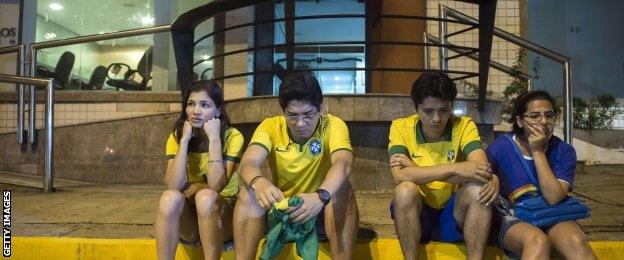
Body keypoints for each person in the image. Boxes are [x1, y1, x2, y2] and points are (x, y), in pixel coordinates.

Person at [233, 71, 359, 259]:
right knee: (247, 191)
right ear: (283, 111)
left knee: (343, 189)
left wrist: (320, 196)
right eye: (292, 115)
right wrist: (259, 182)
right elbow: (248, 162)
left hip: (321, 209)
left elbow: (343, 164)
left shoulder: (333, 125)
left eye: (308, 114)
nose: (300, 123)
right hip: (282, 208)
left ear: (321, 108)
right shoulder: (271, 126)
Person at [388, 72, 498, 260]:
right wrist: (455, 168)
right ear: (414, 107)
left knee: (478, 190)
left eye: (444, 110)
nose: (437, 118)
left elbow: (480, 170)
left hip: (454, 214)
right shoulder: (400, 127)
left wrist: (415, 170)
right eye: (428, 111)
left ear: (452, 106)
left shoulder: (464, 125)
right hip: (419, 215)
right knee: (405, 189)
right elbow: (399, 176)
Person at [486, 91, 598, 259]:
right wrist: (492, 177)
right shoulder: (501, 147)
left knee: (576, 241)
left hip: (551, 214)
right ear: (519, 121)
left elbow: (553, 197)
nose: (544, 121)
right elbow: (478, 177)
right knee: (538, 241)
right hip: (514, 218)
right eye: (534, 116)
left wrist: (537, 151)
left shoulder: (564, 151)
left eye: (549, 115)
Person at [155, 80, 244, 260]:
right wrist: (184, 141)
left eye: (205, 105)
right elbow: (173, 185)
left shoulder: (232, 136)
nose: (196, 111)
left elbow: (216, 185)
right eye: (191, 104)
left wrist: (214, 140)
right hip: (190, 222)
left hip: (221, 219)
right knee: (168, 198)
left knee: (206, 197)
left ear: (218, 111)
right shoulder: (177, 136)